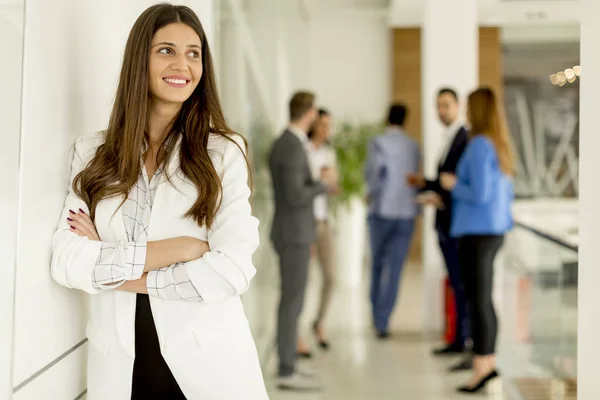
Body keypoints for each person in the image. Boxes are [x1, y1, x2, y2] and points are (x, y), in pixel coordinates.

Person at [50, 4, 268, 399]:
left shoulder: (223, 152)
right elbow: (67, 261)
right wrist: (180, 249)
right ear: (140, 59)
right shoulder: (91, 153)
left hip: (209, 365)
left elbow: (232, 268)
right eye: (166, 50)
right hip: (120, 370)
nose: (182, 64)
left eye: (193, 53)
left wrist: (108, 259)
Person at [439, 87, 514, 394]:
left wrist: (452, 184)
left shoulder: (481, 145)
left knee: (478, 300)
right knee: (482, 300)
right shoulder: (495, 143)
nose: (466, 113)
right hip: (488, 230)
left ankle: (483, 367)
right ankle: (487, 364)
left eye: (470, 107)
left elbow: (479, 194)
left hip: (478, 232)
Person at [269, 92, 337, 391]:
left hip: (294, 231)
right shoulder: (292, 145)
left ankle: (290, 364)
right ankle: (287, 369)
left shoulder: (287, 143)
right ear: (309, 113)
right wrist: (323, 185)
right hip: (293, 233)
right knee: (292, 302)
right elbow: (296, 195)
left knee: (292, 300)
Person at [406, 88, 471, 365]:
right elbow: (446, 179)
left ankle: (465, 341)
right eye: (438, 107)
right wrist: (426, 183)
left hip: (456, 223)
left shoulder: (465, 138)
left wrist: (439, 195)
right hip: (446, 222)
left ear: (458, 106)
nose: (441, 111)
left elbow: (458, 182)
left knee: (462, 284)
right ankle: (458, 339)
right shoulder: (451, 138)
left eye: (446, 106)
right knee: (456, 284)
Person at [365, 104, 420, 338]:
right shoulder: (413, 147)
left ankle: (376, 315)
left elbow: (376, 174)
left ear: (387, 118)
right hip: (406, 212)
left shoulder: (378, 142)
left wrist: (371, 193)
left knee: (377, 265)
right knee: (396, 270)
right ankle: (384, 321)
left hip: (382, 211)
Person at [296, 108, 338, 357]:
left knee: (331, 277)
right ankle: (297, 333)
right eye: (322, 124)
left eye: (328, 125)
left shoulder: (328, 152)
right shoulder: (303, 150)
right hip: (304, 221)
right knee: (304, 280)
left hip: (323, 221)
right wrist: (318, 180)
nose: (326, 130)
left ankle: (319, 322)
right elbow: (300, 187)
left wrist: (330, 182)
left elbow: (334, 186)